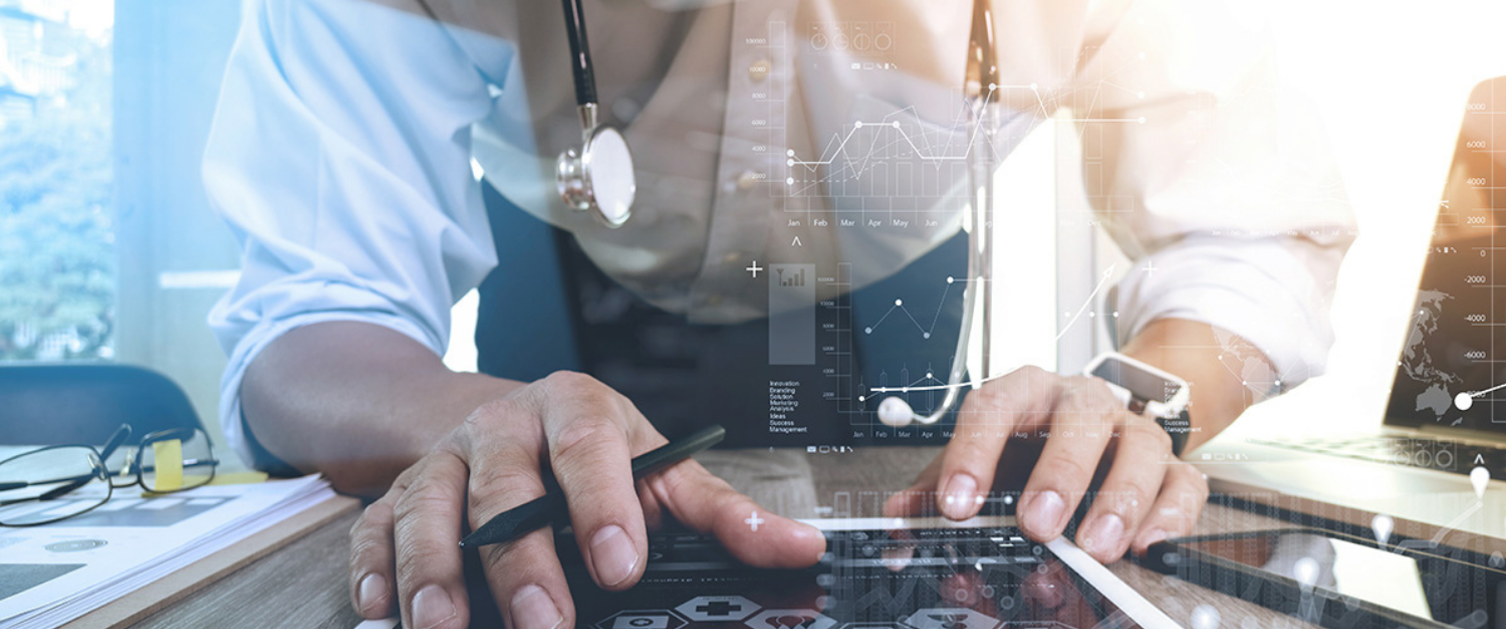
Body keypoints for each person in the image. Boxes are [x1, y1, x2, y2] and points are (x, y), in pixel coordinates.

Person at [203, 1, 1355, 628]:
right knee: (539, 521)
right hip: (563, 300)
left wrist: (1133, 400)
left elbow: (1247, 234)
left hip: (892, 291)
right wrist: (477, 416)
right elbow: (312, 310)